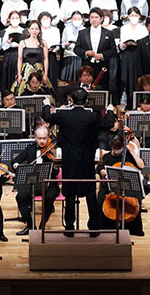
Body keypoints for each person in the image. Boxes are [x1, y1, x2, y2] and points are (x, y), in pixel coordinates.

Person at [40, 88, 117, 235]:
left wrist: (47, 104)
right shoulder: (92, 116)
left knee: (69, 194)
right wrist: (109, 110)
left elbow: (47, 116)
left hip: (69, 161)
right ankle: (94, 229)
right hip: (87, 161)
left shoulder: (64, 115)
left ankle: (69, 228)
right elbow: (108, 124)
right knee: (90, 194)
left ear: (71, 100)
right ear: (86, 101)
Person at [11, 124, 60, 236]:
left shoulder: (53, 151)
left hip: (49, 183)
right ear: (34, 137)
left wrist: (56, 167)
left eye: (45, 138)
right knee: (20, 197)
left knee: (49, 197)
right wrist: (16, 164)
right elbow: (15, 160)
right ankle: (30, 225)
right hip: (32, 183)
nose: (42, 141)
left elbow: (57, 172)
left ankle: (43, 225)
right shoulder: (30, 148)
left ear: (48, 137)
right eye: (39, 138)